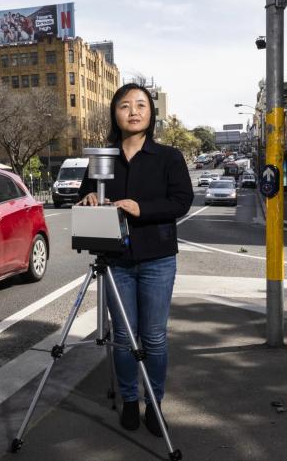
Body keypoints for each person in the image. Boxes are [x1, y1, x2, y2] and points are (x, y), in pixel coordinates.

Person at [77, 83, 194, 436]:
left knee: (154, 336)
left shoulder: (169, 157)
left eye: (141, 105)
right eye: (125, 105)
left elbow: (181, 201)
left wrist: (140, 208)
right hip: (115, 259)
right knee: (126, 337)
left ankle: (153, 403)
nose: (133, 111)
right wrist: (89, 201)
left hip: (158, 258)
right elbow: (87, 194)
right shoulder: (103, 157)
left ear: (151, 113)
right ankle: (130, 400)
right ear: (115, 113)